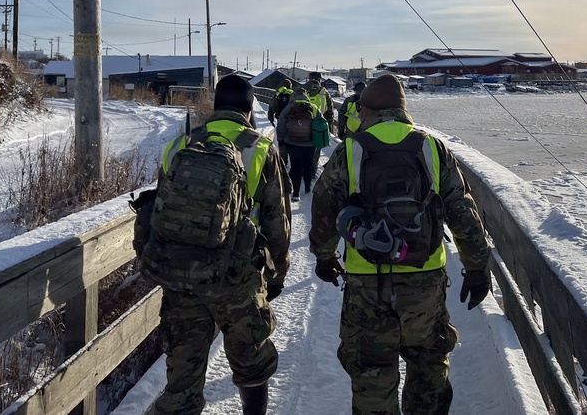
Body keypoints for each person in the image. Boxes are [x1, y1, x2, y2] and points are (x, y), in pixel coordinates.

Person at [308, 73, 491, 415]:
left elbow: (324, 209)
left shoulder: (351, 149)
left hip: (367, 283)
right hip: (425, 281)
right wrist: (477, 267)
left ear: (368, 110)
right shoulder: (432, 147)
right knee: (428, 366)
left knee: (372, 374)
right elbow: (462, 212)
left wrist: (324, 255)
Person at [147, 75, 291, 415]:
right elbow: (277, 221)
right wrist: (276, 275)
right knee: (251, 361)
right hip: (237, 277)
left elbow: (161, 209)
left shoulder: (180, 145)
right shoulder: (260, 149)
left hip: (182, 275)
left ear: (215, 106)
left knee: (183, 374)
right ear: (249, 110)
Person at [275, 87, 319, 201]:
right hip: (310, 143)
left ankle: (296, 193)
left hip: (292, 142)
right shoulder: (313, 107)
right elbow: (322, 123)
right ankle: (308, 187)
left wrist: (281, 138)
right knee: (308, 164)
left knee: (295, 166)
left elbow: (281, 123)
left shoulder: (289, 107)